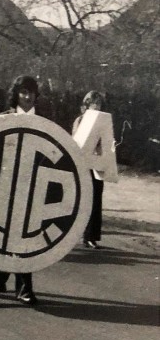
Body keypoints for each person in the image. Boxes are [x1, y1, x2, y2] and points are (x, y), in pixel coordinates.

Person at [0, 75, 42, 305]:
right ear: (15, 94)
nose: (28, 96)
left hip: (31, 187)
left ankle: (22, 288)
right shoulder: (4, 119)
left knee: (22, 236)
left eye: (31, 92)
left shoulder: (44, 121)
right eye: (23, 91)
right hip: (4, 186)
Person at [73, 90, 107, 249]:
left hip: (97, 164)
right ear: (85, 107)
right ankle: (78, 234)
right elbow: (77, 141)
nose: (96, 110)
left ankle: (91, 236)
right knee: (81, 199)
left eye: (99, 106)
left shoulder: (103, 123)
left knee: (96, 198)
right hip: (83, 164)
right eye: (93, 106)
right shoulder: (80, 121)